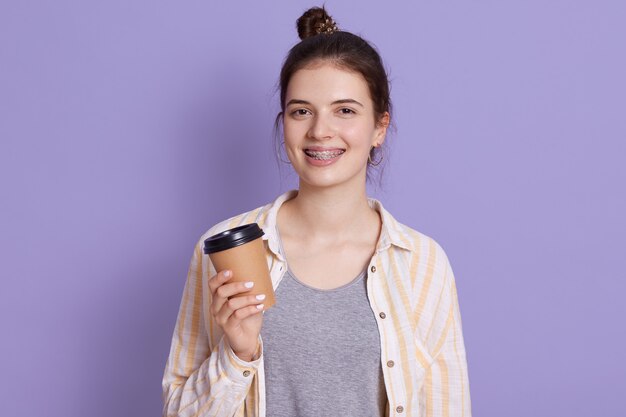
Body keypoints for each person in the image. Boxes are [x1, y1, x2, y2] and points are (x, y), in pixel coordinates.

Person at [162, 6, 471, 417]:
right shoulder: (223, 250)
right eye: (301, 111)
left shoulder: (423, 263)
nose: (319, 131)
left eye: (345, 110)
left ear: (380, 126)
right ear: (284, 122)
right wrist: (238, 353)